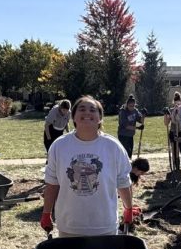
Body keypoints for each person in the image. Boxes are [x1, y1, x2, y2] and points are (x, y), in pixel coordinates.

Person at [41, 96, 134, 237]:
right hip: (70, 226)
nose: (87, 113)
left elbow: (123, 181)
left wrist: (128, 208)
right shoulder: (59, 146)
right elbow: (52, 183)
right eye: (82, 109)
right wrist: (46, 212)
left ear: (100, 118)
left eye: (93, 110)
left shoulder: (113, 147)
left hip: (104, 225)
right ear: (73, 117)